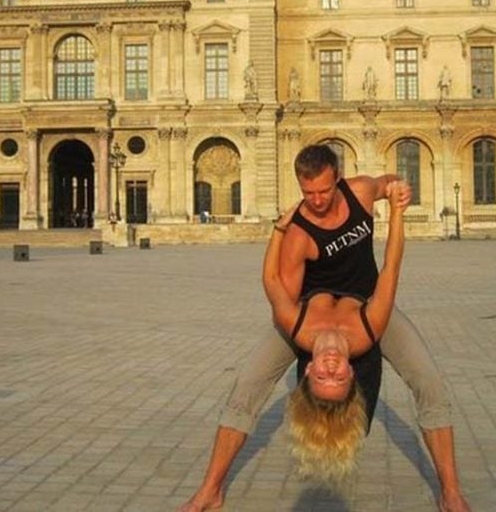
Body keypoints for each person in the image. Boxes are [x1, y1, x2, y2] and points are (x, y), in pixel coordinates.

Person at [181, 144, 471, 512]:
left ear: (338, 179)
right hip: (307, 312)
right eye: (307, 193)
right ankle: (211, 488)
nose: (316, 200)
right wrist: (304, 335)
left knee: (429, 380)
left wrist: (398, 190)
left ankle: (451, 491)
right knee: (247, 386)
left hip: (370, 303)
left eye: (323, 190)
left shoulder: (361, 192)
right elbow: (279, 291)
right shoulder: (300, 234)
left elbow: (386, 196)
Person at [263, 182, 407, 483]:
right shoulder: (369, 330)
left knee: (246, 385)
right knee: (430, 381)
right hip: (360, 285)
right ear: (352, 373)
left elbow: (271, 281)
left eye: (321, 377)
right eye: (339, 377)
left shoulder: (298, 328)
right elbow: (391, 268)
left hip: (317, 282)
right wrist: (397, 212)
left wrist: (279, 230)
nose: (330, 368)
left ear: (308, 369)